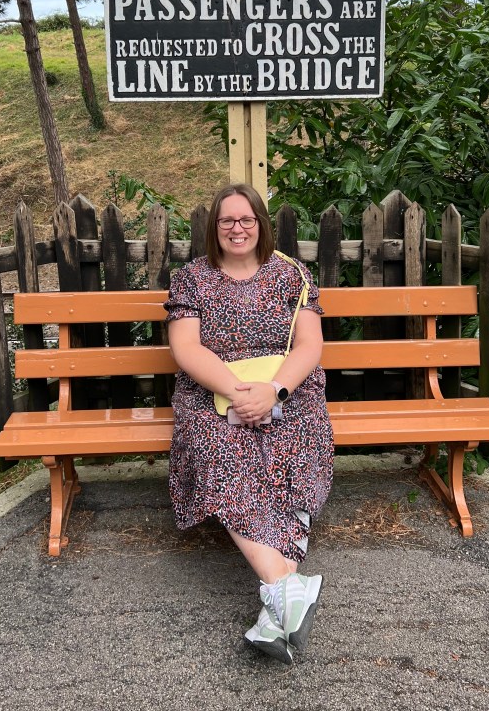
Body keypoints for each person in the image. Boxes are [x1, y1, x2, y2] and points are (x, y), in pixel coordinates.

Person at [164, 182, 334, 664]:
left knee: (291, 448)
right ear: (213, 229)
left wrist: (274, 391)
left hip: (289, 394)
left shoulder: (291, 275)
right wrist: (239, 394)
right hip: (212, 398)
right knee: (221, 452)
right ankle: (286, 587)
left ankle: (276, 608)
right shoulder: (191, 279)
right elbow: (187, 348)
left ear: (260, 224)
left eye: (246, 220)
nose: (237, 228)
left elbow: (308, 345)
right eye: (227, 221)